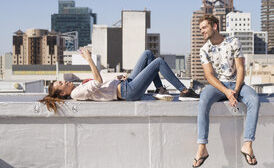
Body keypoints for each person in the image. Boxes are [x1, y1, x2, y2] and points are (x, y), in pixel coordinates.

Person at [192, 14, 260, 168]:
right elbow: (209, 76)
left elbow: (241, 67)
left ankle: (247, 144)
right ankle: (202, 148)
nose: (201, 31)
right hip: (218, 85)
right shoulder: (204, 49)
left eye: (204, 27)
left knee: (254, 99)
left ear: (214, 26)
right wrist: (226, 91)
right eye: (200, 29)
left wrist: (235, 90)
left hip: (237, 84)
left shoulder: (233, 42)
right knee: (203, 99)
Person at [40, 49, 199, 113]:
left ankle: (159, 90)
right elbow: (97, 80)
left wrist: (117, 78)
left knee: (148, 55)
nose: (65, 82)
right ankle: (184, 91)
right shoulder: (76, 93)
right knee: (158, 62)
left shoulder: (76, 88)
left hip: (124, 84)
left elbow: (100, 85)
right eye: (61, 84)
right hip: (128, 91)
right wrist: (89, 59)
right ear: (62, 93)